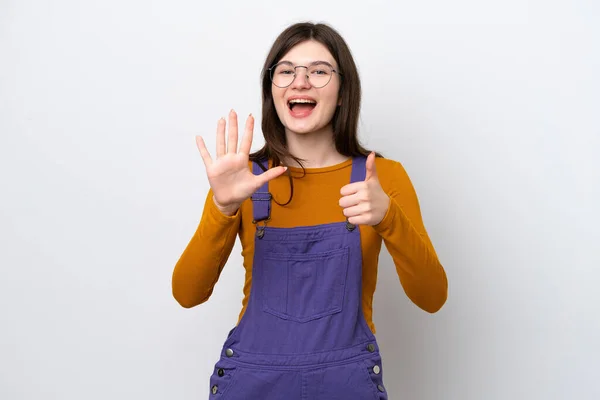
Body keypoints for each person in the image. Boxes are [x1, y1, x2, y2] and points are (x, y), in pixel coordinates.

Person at [172, 21, 448, 399]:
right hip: (255, 386)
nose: (300, 82)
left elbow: (432, 298)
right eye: (286, 71)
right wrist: (223, 207)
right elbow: (187, 294)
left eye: (319, 71)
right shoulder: (242, 180)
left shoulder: (383, 178)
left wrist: (388, 217)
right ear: (272, 91)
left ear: (343, 90)